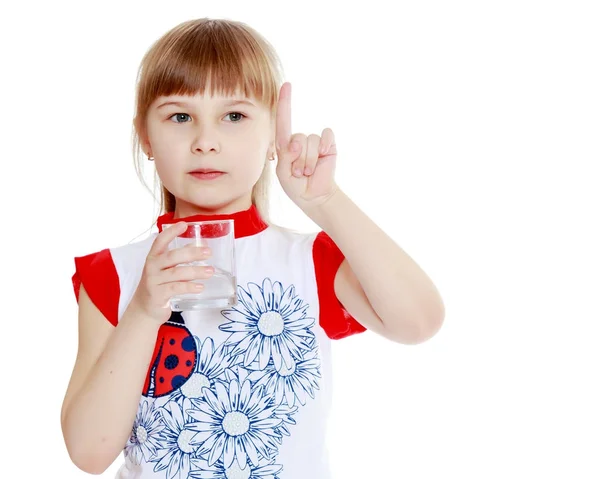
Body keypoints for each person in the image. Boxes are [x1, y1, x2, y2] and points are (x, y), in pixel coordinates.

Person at [60, 17, 445, 479]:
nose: (206, 142)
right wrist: (144, 309)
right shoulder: (115, 276)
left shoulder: (309, 261)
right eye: (180, 117)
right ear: (146, 135)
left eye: (235, 116)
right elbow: (89, 452)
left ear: (271, 137)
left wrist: (325, 202)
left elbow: (419, 322)